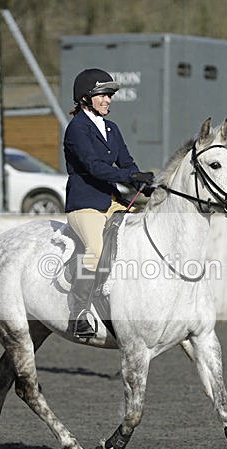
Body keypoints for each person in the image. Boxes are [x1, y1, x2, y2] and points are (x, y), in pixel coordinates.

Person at [63, 68, 155, 338]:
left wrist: (142, 183)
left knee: (144, 232)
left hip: (111, 201)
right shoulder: (77, 129)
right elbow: (95, 168)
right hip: (84, 204)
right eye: (102, 95)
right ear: (84, 99)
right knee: (95, 247)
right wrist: (130, 176)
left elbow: (126, 162)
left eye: (109, 95)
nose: (107, 100)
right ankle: (78, 313)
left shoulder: (112, 128)